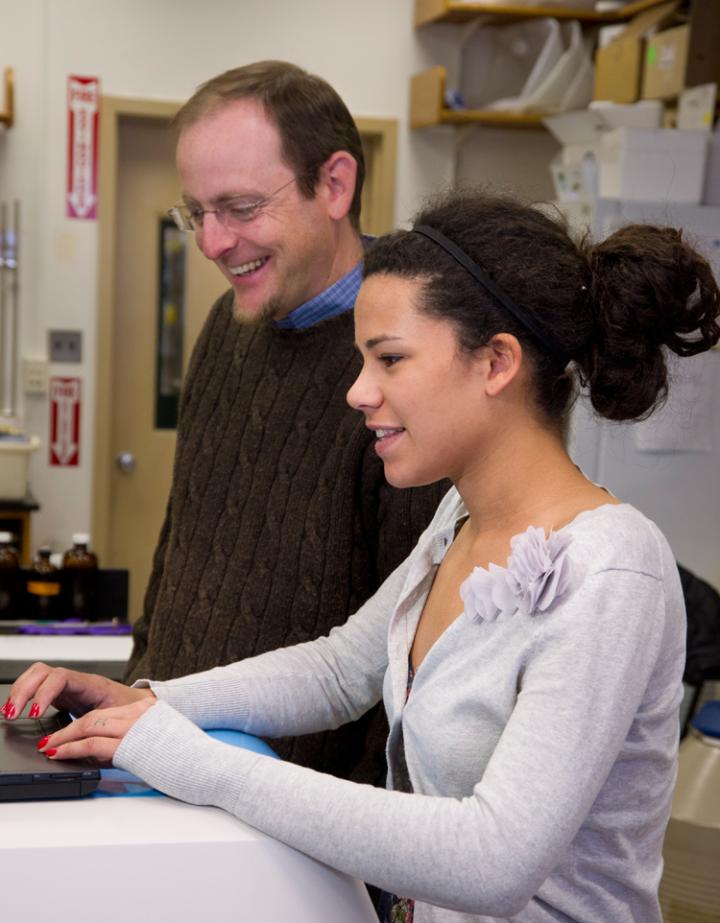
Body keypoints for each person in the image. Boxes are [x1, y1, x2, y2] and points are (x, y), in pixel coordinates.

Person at [6, 189, 720, 922]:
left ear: (497, 362)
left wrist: (193, 759)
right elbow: (344, 665)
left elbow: (493, 858)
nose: (358, 390)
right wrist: (153, 702)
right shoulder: (460, 515)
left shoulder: (611, 571)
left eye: (390, 359)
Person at [122, 60, 447, 783]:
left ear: (334, 185)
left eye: (239, 208)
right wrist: (135, 691)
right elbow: (182, 539)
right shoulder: (226, 325)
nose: (210, 243)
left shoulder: (410, 370)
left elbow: (408, 655)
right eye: (196, 212)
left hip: (300, 819)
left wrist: (350, 874)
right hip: (170, 759)